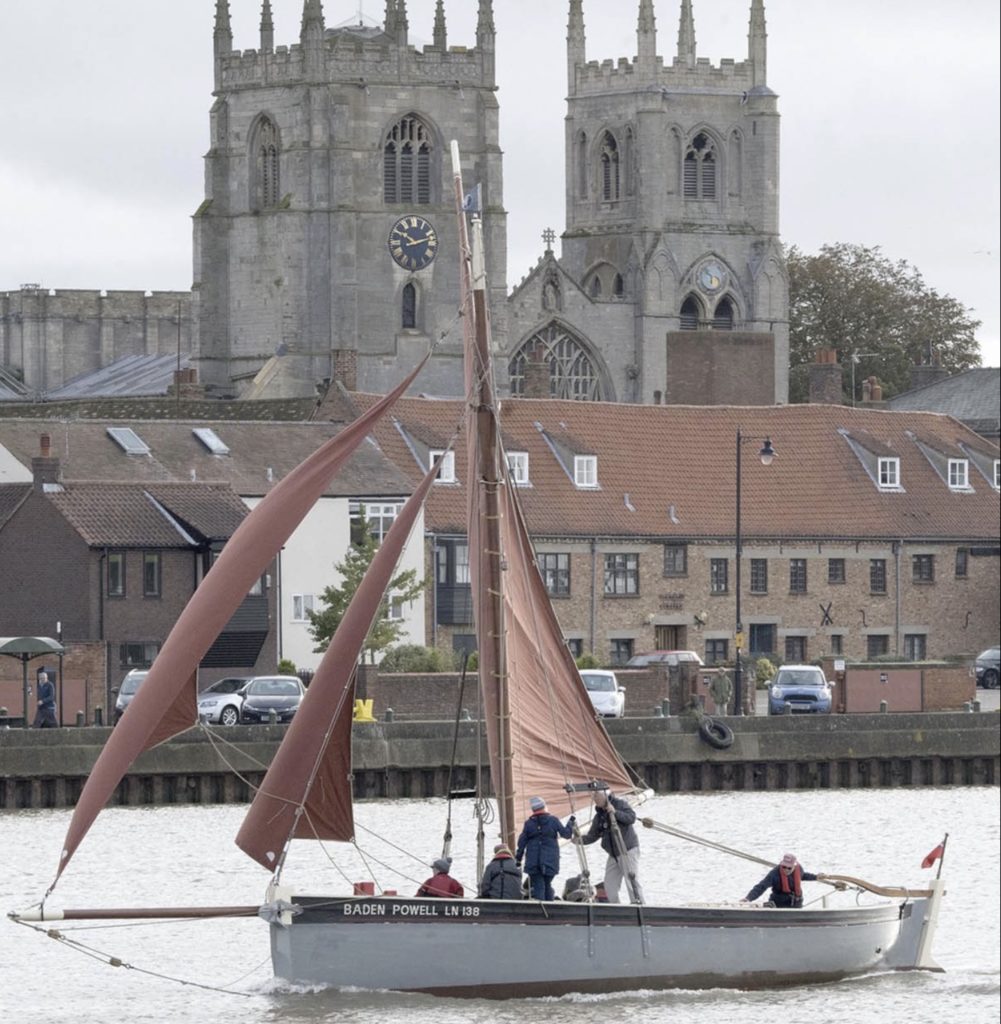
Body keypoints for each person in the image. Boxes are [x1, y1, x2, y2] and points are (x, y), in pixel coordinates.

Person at [576, 788, 644, 904]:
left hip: (627, 850)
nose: (594, 799)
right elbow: (593, 835)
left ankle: (639, 906)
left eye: (597, 795)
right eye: (593, 796)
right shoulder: (599, 816)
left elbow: (631, 818)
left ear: (605, 795)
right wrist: (578, 839)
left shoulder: (620, 804)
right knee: (609, 885)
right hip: (613, 854)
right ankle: (616, 909)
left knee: (631, 881)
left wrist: (615, 812)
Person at [515, 796, 575, 901]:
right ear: (544, 807)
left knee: (539, 886)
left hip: (533, 863)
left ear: (533, 809)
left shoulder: (528, 824)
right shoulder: (553, 821)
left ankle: (542, 911)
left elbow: (521, 843)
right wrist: (571, 821)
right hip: (550, 862)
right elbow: (567, 834)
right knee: (547, 884)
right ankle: (548, 911)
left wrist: (518, 859)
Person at [743, 852, 828, 908]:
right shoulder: (774, 874)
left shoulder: (799, 869)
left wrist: (816, 877)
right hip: (779, 904)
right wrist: (748, 898)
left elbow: (803, 875)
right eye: (784, 866)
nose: (786, 869)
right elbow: (761, 886)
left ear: (794, 866)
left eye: (789, 867)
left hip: (796, 904)